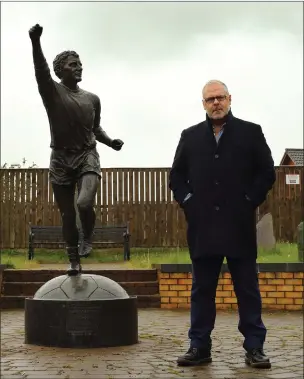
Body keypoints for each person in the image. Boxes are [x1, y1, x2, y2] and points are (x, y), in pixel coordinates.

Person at [169, 80, 276, 369]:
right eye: (209, 99)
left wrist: (248, 200)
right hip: (202, 227)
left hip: (239, 225)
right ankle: (199, 346)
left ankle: (255, 348)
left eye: (220, 97)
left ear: (229, 99)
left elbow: (267, 172)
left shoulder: (250, 132)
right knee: (202, 290)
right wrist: (189, 201)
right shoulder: (189, 137)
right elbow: (176, 177)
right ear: (203, 104)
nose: (215, 103)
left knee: (247, 289)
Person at [29, 24, 124, 276]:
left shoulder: (92, 99)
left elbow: (95, 128)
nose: (79, 67)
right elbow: (40, 71)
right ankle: (73, 259)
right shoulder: (52, 92)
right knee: (67, 214)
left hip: (87, 155)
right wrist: (35, 41)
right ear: (61, 70)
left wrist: (110, 141)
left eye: (80, 63)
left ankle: (88, 236)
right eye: (73, 64)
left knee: (83, 203)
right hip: (60, 159)